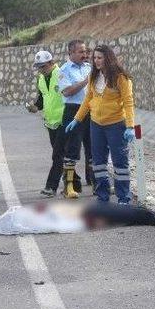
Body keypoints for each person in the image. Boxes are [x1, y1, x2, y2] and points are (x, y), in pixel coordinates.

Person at [66, 44, 135, 204]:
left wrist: (130, 126)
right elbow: (88, 99)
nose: (96, 61)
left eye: (100, 57)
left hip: (116, 124)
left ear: (108, 58)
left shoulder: (120, 78)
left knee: (120, 162)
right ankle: (102, 196)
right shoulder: (93, 76)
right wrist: (77, 119)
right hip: (96, 125)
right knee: (98, 162)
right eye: (95, 58)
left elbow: (128, 102)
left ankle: (123, 197)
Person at [28, 50, 66, 197]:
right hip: (50, 122)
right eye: (39, 67)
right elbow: (42, 100)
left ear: (51, 63)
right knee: (62, 155)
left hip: (64, 120)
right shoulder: (41, 79)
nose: (41, 70)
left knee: (57, 155)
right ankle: (73, 182)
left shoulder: (62, 74)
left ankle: (51, 186)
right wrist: (35, 107)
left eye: (43, 66)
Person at [59, 40, 94, 197]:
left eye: (85, 51)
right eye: (80, 52)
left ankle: (97, 183)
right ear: (70, 53)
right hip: (73, 110)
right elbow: (67, 92)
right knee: (72, 149)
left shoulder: (89, 68)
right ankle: (69, 186)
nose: (84, 55)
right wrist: (86, 81)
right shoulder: (64, 70)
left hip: (91, 110)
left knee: (94, 148)